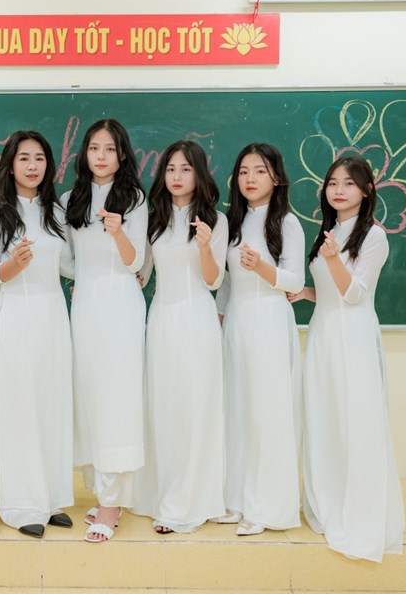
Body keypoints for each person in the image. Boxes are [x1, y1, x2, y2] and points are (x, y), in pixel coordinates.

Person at [287, 155, 404, 562]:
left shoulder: (374, 236)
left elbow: (354, 295)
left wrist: (334, 259)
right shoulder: (330, 231)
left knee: (356, 421)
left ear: (367, 191)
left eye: (349, 183)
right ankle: (329, 502)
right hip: (323, 334)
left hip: (352, 338)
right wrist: (305, 293)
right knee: (326, 418)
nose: (338, 190)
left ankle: (359, 511)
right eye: (333, 182)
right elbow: (331, 292)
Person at [0, 130, 75, 538]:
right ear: (11, 165)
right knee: (18, 407)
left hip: (53, 315)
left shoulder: (57, 211)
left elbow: (67, 264)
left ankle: (50, 498)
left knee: (52, 403)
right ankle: (21, 503)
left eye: (39, 158)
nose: (32, 166)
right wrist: (12, 266)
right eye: (24, 158)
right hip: (16, 314)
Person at [131, 141, 227, 534]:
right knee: (164, 407)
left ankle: (188, 502)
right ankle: (164, 494)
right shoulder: (154, 219)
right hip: (161, 319)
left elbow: (214, 280)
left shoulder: (215, 220)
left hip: (197, 318)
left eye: (185, 169)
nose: (176, 176)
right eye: (170, 168)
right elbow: (141, 272)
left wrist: (204, 246)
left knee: (195, 408)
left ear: (199, 173)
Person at [61, 119, 146, 543]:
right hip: (86, 303)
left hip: (121, 303)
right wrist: (82, 277)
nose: (100, 155)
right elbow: (64, 258)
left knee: (116, 397)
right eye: (94, 147)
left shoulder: (135, 198)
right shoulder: (69, 199)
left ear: (122, 155)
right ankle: (101, 491)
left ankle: (112, 503)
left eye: (109, 149)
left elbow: (137, 262)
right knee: (90, 395)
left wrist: (118, 233)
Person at [215, 143, 304, 536]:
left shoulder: (287, 223)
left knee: (268, 413)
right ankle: (237, 499)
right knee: (237, 411)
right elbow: (226, 284)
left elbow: (295, 281)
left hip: (269, 320)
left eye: (260, 171)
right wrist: (218, 320)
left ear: (277, 178)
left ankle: (268, 507)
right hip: (237, 322)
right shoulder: (233, 222)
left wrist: (263, 268)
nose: (250, 179)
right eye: (244, 171)